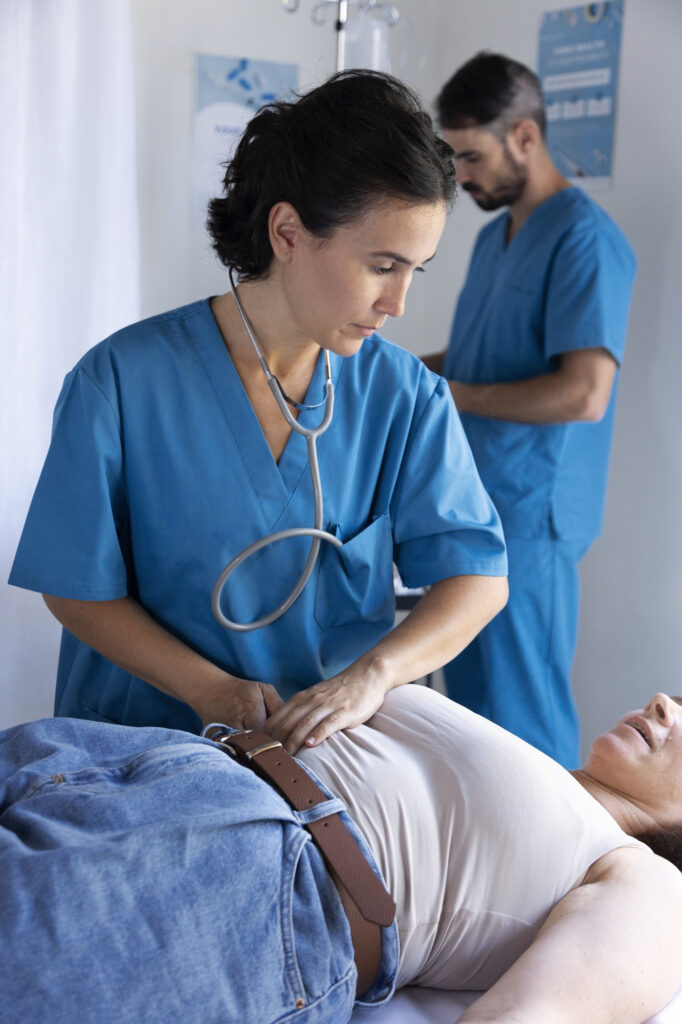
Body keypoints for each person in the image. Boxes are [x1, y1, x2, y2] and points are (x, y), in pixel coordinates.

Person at [8, 70, 507, 752]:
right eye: (381, 265)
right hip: (141, 754)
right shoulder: (122, 382)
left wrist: (371, 677)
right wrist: (207, 689)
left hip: (323, 762)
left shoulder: (404, 394)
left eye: (414, 270)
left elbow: (478, 577)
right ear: (288, 232)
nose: (398, 304)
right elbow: (74, 588)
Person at [2, 683, 681, 1024]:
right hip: (144, 762)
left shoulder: (649, 884)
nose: (663, 704)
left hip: (255, 873)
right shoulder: (542, 775)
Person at [424, 53, 637, 769]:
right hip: (474, 507)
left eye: (471, 156)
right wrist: (389, 368)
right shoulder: (494, 239)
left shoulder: (585, 238)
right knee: (472, 729)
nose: (461, 175)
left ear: (524, 137)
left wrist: (455, 397)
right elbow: (475, 357)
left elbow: (584, 391)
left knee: (524, 727)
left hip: (531, 520)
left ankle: (554, 880)